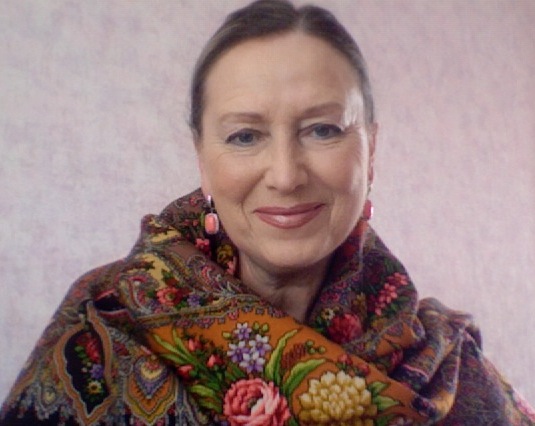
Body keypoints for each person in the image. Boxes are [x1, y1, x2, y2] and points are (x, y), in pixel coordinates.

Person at [1, 0, 533, 424]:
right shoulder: (103, 325)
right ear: (202, 159)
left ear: (371, 150)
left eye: (322, 129)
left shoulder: (447, 366)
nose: (285, 174)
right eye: (245, 136)